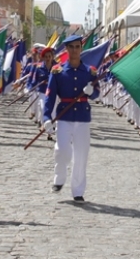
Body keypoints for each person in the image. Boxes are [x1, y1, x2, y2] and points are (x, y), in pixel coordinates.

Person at [43, 35, 100, 203]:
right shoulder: (58, 71)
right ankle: (59, 178)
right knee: (62, 150)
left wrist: (92, 91)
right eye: (71, 47)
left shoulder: (90, 71)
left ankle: (78, 191)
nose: (74, 50)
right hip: (64, 117)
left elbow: (97, 93)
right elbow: (50, 96)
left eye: (77, 47)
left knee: (81, 155)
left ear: (81, 49)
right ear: (66, 49)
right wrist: (46, 117)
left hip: (82, 117)